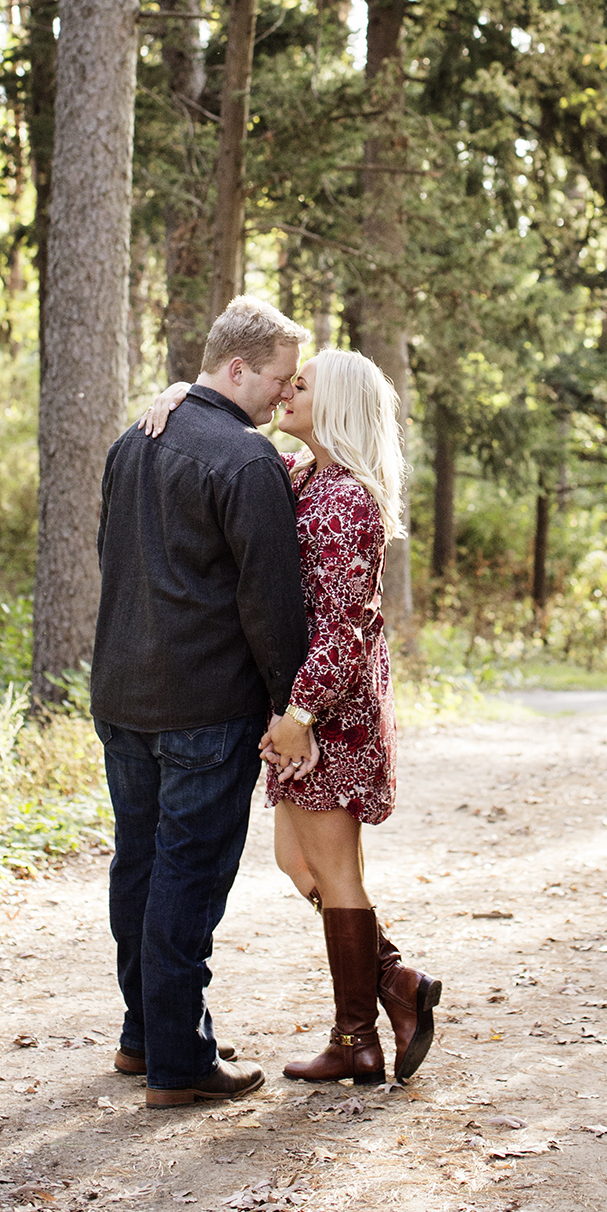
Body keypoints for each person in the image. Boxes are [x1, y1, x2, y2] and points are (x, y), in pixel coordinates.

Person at [140, 347, 442, 1086]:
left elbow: (343, 626)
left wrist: (301, 714)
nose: (287, 391)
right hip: (302, 702)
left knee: (333, 870)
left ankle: (355, 1040)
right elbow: (230, 445)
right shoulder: (307, 476)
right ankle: (395, 985)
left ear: (333, 403)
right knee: (295, 861)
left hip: (327, 707)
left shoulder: (347, 500)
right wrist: (182, 392)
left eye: (301, 385)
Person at [89, 294, 316, 1108]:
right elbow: (269, 604)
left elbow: (111, 551)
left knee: (139, 864)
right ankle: (179, 1062)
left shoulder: (132, 440)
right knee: (187, 874)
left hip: (120, 693)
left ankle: (143, 1034)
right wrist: (290, 708)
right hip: (203, 705)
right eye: (277, 381)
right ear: (235, 369)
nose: (281, 398)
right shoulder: (247, 462)